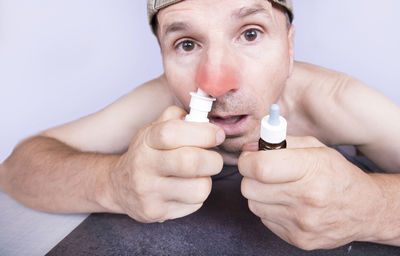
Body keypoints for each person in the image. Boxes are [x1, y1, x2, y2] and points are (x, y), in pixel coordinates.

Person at [1, 0, 400, 250]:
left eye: (250, 33)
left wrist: (374, 208)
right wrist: (113, 182)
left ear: (290, 46)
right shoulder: (160, 102)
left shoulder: (338, 102)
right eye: (187, 44)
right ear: (162, 55)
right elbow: (17, 169)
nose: (215, 81)